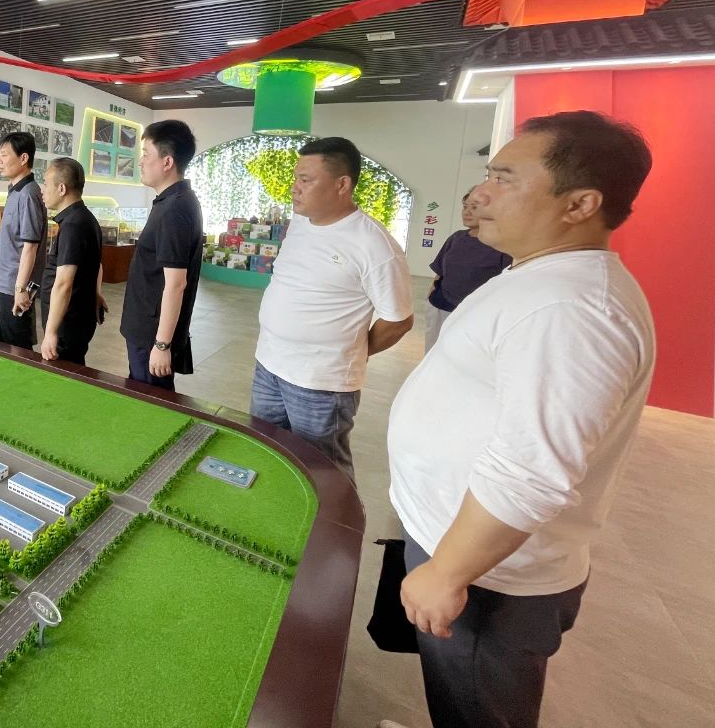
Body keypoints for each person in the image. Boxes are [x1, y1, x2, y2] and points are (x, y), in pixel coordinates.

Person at [386, 110, 654, 728]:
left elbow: (530, 471)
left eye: (504, 178)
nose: (480, 195)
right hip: (466, 550)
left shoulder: (572, 310)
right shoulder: (539, 276)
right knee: (454, 693)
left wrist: (449, 571)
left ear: (580, 203)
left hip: (492, 578)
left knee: (477, 705)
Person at [252, 137, 413, 482]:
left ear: (342, 185)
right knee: (267, 449)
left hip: (321, 383)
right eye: (296, 178)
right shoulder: (300, 222)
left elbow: (399, 320)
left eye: (306, 180)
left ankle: (333, 519)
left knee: (324, 471)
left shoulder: (374, 245)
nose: (294, 188)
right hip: (269, 364)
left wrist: (352, 351)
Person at [119, 120, 204, 391]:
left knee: (151, 401)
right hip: (145, 329)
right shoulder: (170, 202)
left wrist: (162, 344)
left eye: (146, 154)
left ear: (167, 162)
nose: (140, 161)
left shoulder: (175, 209)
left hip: (152, 335)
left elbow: (176, 284)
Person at [424, 186, 510, 349]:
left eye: (474, 208)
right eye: (465, 207)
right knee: (433, 352)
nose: (467, 212)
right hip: (441, 306)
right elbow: (440, 272)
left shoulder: (501, 245)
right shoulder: (456, 238)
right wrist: (431, 297)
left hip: (476, 314)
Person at [38, 157, 105, 366]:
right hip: (75, 318)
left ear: (61, 189)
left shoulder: (74, 225)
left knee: (64, 371)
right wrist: (95, 293)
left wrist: (51, 332)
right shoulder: (84, 218)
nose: (42, 190)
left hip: (67, 322)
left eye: (46, 184)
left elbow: (63, 283)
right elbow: (95, 265)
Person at [0, 132, 47, 349]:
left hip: (15, 284)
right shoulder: (15, 190)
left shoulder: (28, 194)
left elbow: (30, 247)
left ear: (23, 158)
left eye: (4, 155)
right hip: (7, 282)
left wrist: (21, 290)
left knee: (18, 347)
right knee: (6, 343)